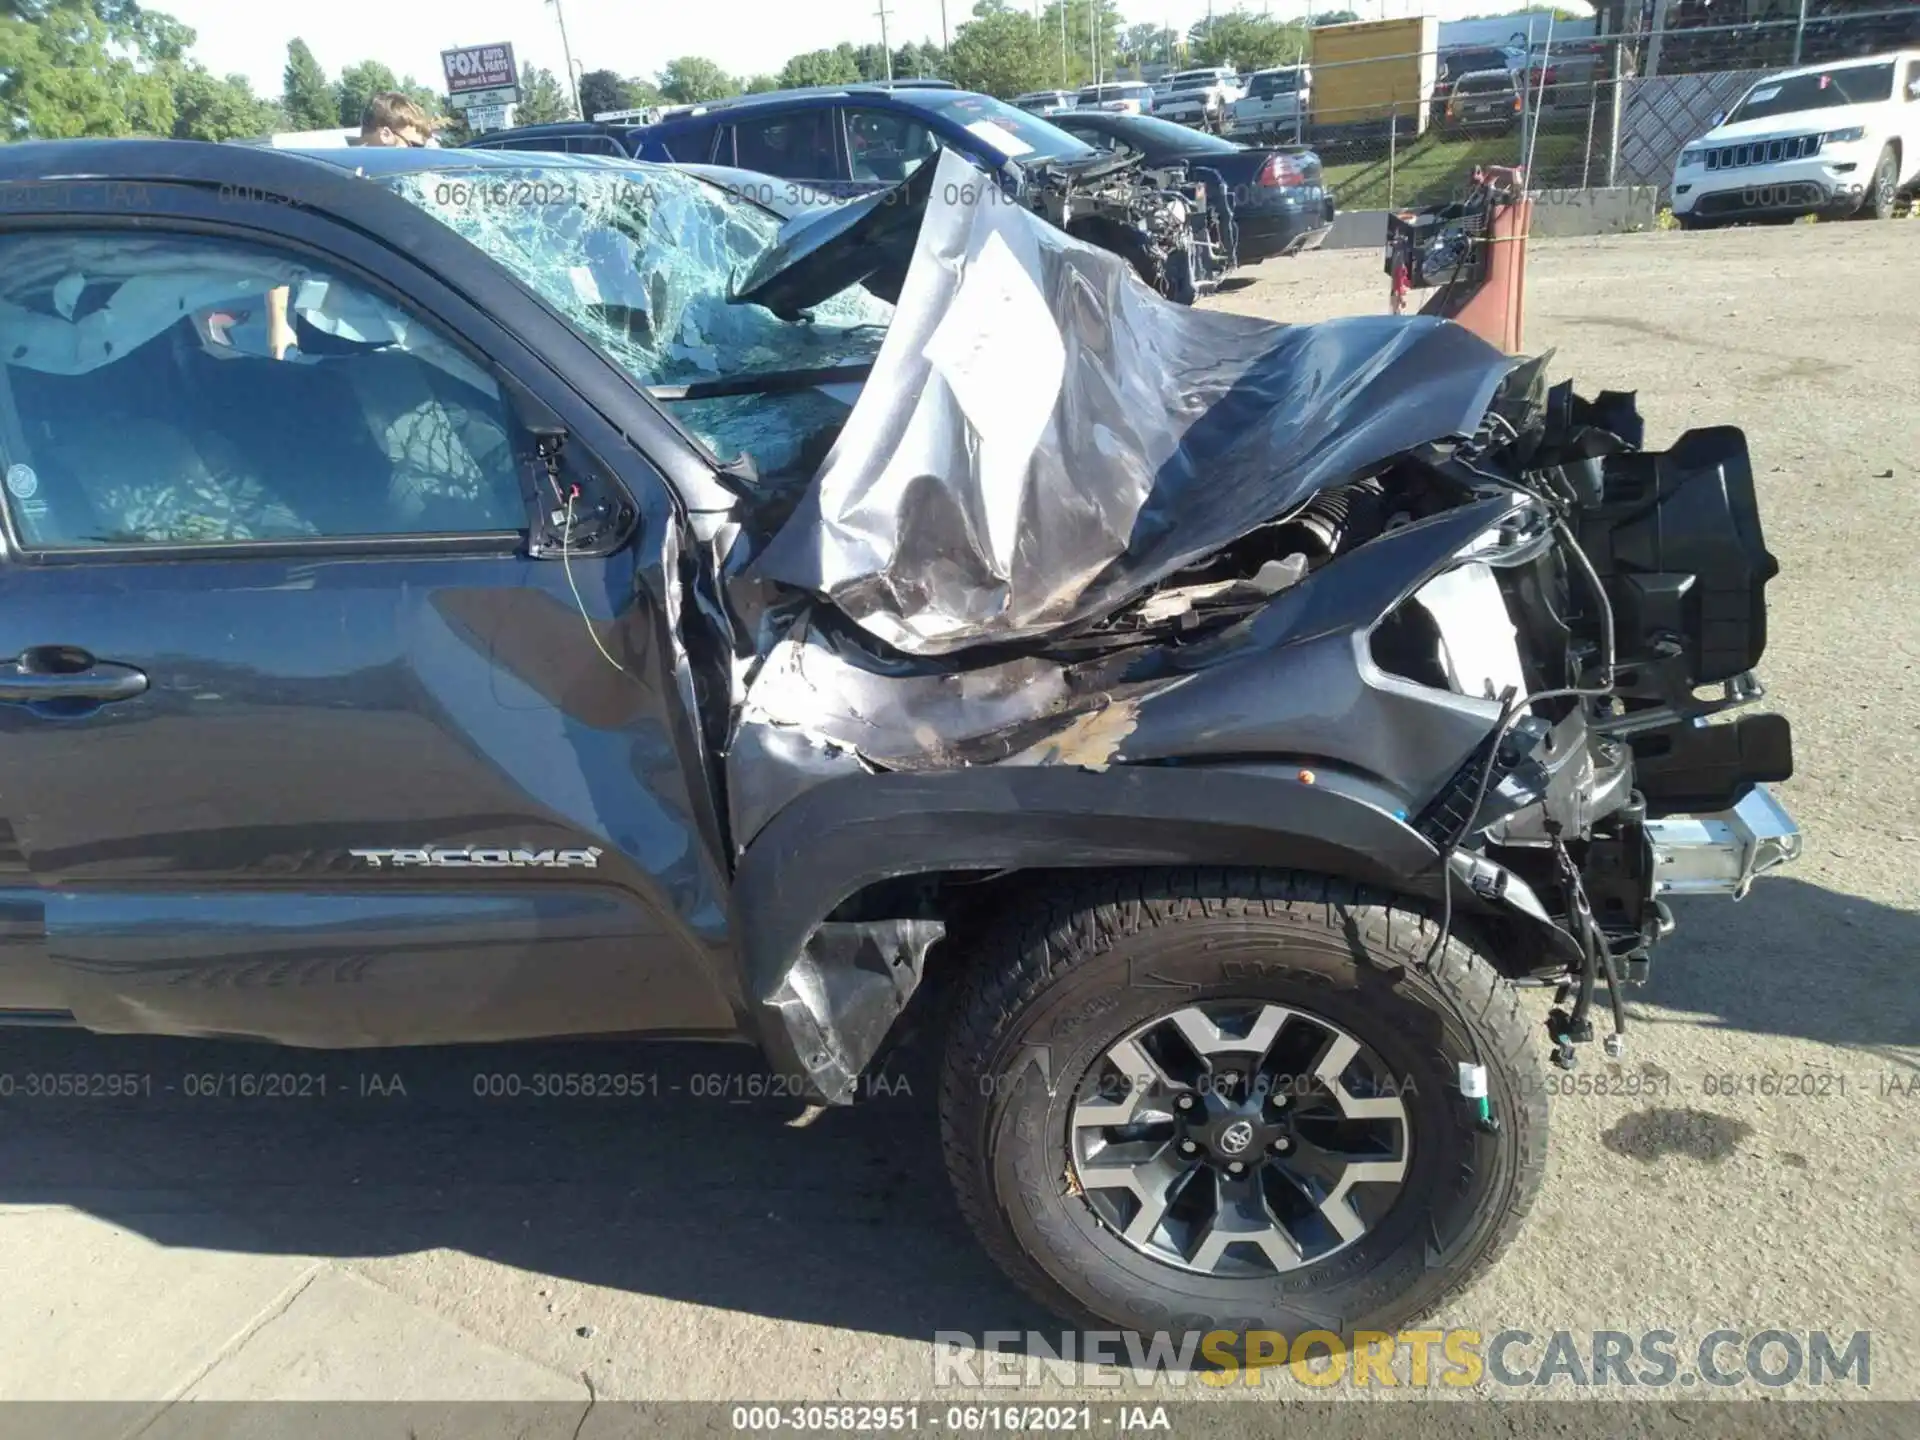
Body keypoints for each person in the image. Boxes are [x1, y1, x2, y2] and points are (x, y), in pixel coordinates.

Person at [267, 93, 437, 358]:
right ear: (385, 134)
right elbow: (282, 249)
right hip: (329, 328)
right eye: (414, 146)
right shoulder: (324, 174)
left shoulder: (404, 183)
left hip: (393, 328)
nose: (419, 157)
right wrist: (279, 325)